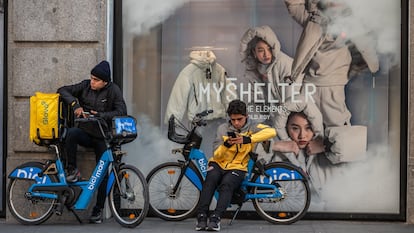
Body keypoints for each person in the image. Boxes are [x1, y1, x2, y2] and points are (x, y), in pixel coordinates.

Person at [284, 0, 379, 127]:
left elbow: (366, 46)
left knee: (337, 127)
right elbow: (293, 5)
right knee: (306, 126)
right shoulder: (314, 19)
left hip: (334, 84)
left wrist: (374, 67)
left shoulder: (352, 23)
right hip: (310, 83)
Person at [57, 60, 127, 223]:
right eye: (92, 78)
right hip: (86, 133)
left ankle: (98, 210)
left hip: (103, 136)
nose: (92, 82)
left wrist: (102, 115)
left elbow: (122, 110)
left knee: (102, 173)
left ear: (105, 82)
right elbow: (62, 90)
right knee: (72, 133)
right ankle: (72, 170)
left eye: (96, 80)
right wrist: (75, 105)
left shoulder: (113, 90)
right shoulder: (85, 85)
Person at [195, 99, 276, 231]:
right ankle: (202, 216)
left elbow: (272, 132)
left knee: (226, 184)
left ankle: (216, 218)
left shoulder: (253, 127)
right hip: (218, 163)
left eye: (240, 119)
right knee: (210, 180)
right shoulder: (222, 129)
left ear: (246, 116)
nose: (236, 123)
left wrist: (248, 139)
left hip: (238, 167)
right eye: (233, 120)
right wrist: (226, 145)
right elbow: (216, 154)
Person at [239, 25, 293, 126]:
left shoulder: (285, 64)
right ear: (254, 52)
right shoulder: (252, 71)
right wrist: (260, 125)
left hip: (289, 121)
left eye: (269, 49)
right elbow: (252, 103)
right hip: (271, 121)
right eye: (260, 50)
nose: (266, 54)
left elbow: (290, 102)